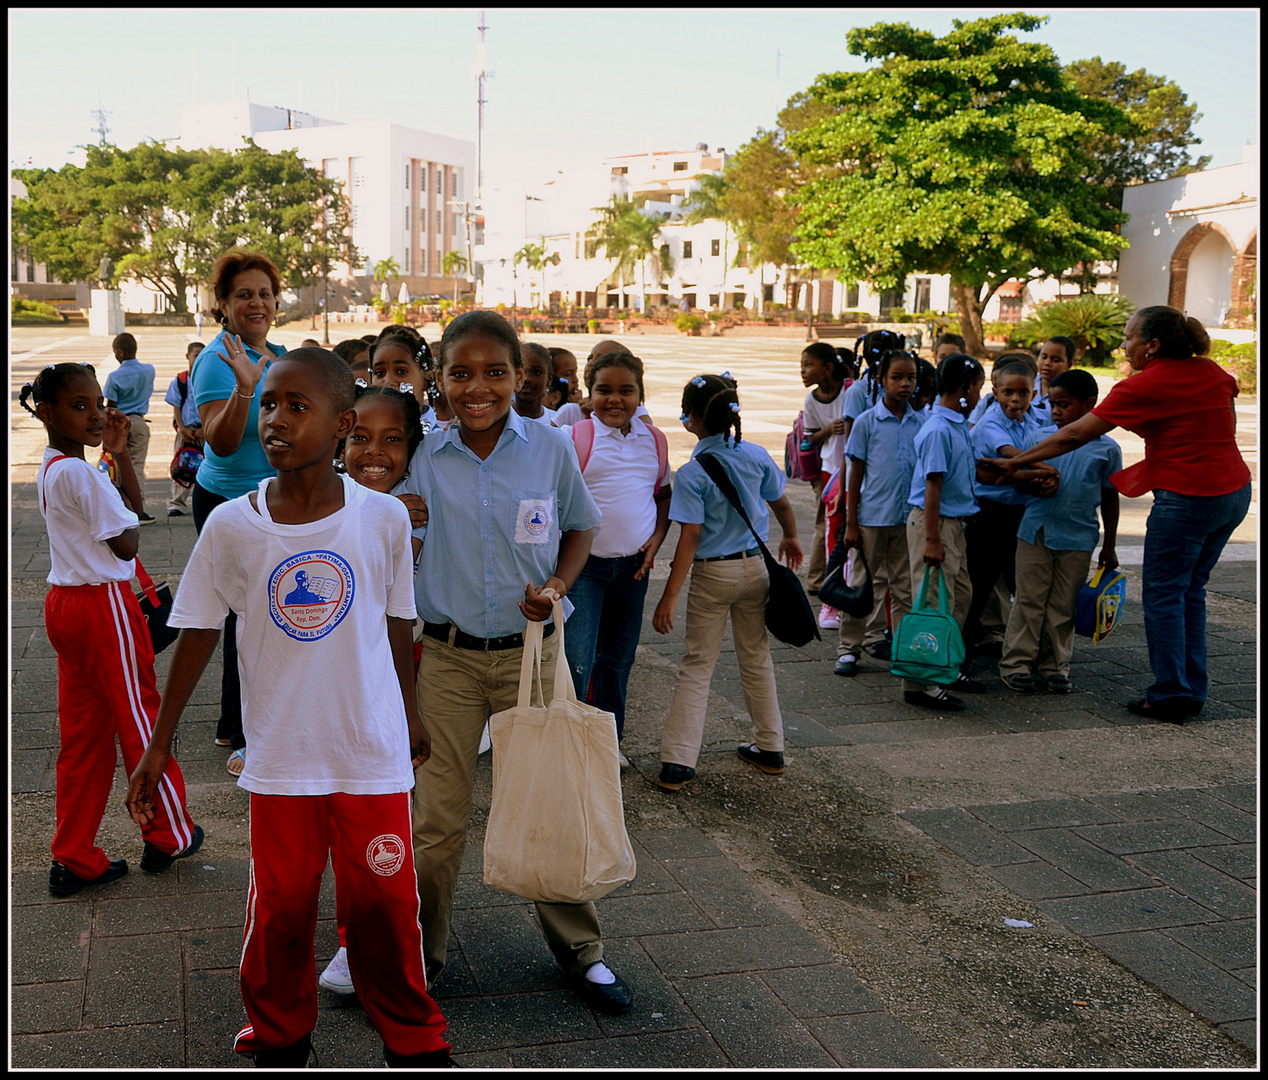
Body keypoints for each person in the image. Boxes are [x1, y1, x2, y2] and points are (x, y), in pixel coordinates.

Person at [125, 348, 453, 1069]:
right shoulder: (234, 528)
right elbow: (198, 634)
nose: (274, 420)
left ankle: (414, 1039)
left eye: (295, 407)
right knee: (281, 910)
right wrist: (159, 742)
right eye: (269, 404)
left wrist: (411, 712)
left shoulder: (382, 521)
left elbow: (398, 623)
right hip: (281, 759)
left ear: (341, 425)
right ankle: (279, 1033)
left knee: (388, 910)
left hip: (370, 751)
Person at [401, 309, 633, 1015]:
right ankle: (421, 955)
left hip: (533, 655)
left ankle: (581, 951)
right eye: (461, 373)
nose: (479, 387)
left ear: (519, 376)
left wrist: (559, 586)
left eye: (495, 372)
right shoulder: (423, 455)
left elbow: (581, 524)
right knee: (436, 823)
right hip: (445, 657)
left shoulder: (549, 447)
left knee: (549, 801)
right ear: (438, 380)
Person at [983, 306, 1252, 723]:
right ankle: (1190, 688)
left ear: (1153, 345)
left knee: (1164, 594)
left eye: (1129, 338)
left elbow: (1074, 434)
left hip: (1186, 495)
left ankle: (1171, 693)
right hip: (1233, 492)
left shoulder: (1143, 385)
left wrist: (1015, 464)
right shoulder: (1213, 372)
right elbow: (1225, 428)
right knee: (1190, 591)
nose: (1123, 345)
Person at [21, 364, 201, 899]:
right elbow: (128, 542)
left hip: (66, 605)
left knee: (83, 737)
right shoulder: (78, 472)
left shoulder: (57, 466)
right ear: (46, 412)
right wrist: (112, 473)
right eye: (80, 406)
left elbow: (134, 511)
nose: (96, 414)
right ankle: (168, 831)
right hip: (102, 607)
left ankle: (74, 854)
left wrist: (119, 455)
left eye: (98, 402)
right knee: (141, 719)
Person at [319, 382, 428, 998]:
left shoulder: (411, 507)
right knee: (345, 818)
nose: (375, 452)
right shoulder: (321, 505)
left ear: (413, 448)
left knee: (394, 819)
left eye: (393, 440)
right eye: (361, 437)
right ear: (339, 437)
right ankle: (349, 940)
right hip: (339, 687)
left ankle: (391, 942)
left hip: (406, 672)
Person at [652, 373, 803, 790]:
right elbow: (782, 502)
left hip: (713, 573)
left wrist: (669, 595)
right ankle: (770, 746)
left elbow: (691, 536)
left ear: (691, 419)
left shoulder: (693, 472)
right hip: (755, 568)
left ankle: (679, 761)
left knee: (699, 663)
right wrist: (790, 536)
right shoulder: (755, 455)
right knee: (755, 657)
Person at [191, 251, 288, 772]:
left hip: (272, 499)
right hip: (229, 502)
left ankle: (240, 722)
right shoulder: (218, 359)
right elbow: (221, 444)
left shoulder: (279, 353)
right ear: (223, 304)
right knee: (247, 614)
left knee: (259, 612)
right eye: (245, 294)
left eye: (265, 294)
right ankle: (242, 727)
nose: (258, 302)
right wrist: (245, 387)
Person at [564, 352, 672, 767]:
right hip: (584, 568)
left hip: (633, 569)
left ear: (640, 395)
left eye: (626, 391)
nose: (615, 399)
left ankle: (609, 743)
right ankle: (572, 743)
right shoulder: (577, 438)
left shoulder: (654, 440)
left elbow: (662, 495)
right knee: (579, 658)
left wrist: (657, 538)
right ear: (589, 396)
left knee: (618, 658)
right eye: (604, 390)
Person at [998, 369, 1120, 694]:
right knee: (1028, 601)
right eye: (1052, 404)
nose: (1055, 412)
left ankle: (1055, 667)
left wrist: (1110, 545)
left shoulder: (1107, 449)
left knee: (1064, 605)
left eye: (1064, 405)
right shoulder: (1039, 439)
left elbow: (1110, 497)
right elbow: (1018, 480)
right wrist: (1033, 486)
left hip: (1078, 537)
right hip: (1035, 532)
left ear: (1089, 404)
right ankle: (1017, 664)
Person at [902, 353, 988, 711]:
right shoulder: (939, 429)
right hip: (934, 525)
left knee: (958, 598)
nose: (981, 396)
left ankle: (944, 667)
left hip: (953, 526)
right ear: (966, 388)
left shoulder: (955, 425)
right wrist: (934, 540)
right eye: (979, 388)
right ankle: (922, 684)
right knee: (936, 603)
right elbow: (932, 485)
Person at [832, 349, 921, 676]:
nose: (904, 384)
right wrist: (850, 523)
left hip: (906, 520)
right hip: (870, 519)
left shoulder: (919, 421)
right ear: (881, 381)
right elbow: (855, 474)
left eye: (910, 377)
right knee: (862, 587)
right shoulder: (868, 422)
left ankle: (903, 649)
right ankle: (849, 649)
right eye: (896, 377)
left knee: (905, 589)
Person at [962, 359, 1043, 650]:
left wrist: (1027, 474)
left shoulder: (1037, 419)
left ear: (1034, 393)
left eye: (1023, 393)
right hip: (989, 514)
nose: (1015, 399)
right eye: (1008, 392)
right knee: (978, 584)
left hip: (1020, 513)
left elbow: (1016, 464)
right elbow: (1010, 454)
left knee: (1021, 583)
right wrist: (1046, 471)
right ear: (995, 392)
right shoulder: (990, 423)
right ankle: (962, 647)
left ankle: (1023, 647)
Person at [798, 342, 851, 606]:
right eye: (802, 366)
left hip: (853, 468)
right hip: (829, 470)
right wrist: (828, 429)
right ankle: (824, 582)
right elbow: (808, 441)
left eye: (809, 365)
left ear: (828, 368)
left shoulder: (849, 392)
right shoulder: (812, 400)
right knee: (829, 526)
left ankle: (844, 578)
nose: (803, 371)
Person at [102, 332, 156, 524]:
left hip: (119, 424)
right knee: (136, 466)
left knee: (115, 466)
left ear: (120, 352)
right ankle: (138, 508)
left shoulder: (114, 376)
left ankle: (117, 506)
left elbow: (111, 405)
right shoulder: (149, 370)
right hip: (139, 423)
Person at [165, 341, 205, 517]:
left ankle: (205, 499)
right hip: (186, 429)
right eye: (196, 355)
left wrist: (206, 429)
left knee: (208, 465)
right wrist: (181, 428)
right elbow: (176, 407)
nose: (198, 359)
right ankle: (177, 503)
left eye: (202, 355)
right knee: (183, 465)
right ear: (187, 356)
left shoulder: (209, 379)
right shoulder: (180, 380)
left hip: (207, 430)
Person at [1032, 336, 1075, 422]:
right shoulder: (1028, 384)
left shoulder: (1071, 394)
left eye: (1055, 360)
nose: (1047, 363)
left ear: (1068, 365)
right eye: (1044, 357)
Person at [514, 341, 556, 423]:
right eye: (521, 371)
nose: (527, 379)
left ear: (549, 379)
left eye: (537, 372)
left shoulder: (556, 421)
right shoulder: (498, 419)